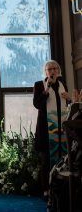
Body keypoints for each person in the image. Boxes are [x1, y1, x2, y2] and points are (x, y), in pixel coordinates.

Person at [33, 60, 71, 200]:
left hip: (61, 130)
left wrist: (70, 99)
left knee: (62, 159)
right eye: (49, 69)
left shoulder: (63, 85)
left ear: (59, 71)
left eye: (55, 68)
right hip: (45, 131)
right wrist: (47, 89)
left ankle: (61, 188)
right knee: (46, 161)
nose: (52, 71)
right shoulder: (39, 85)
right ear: (45, 72)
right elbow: (37, 104)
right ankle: (46, 190)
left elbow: (67, 108)